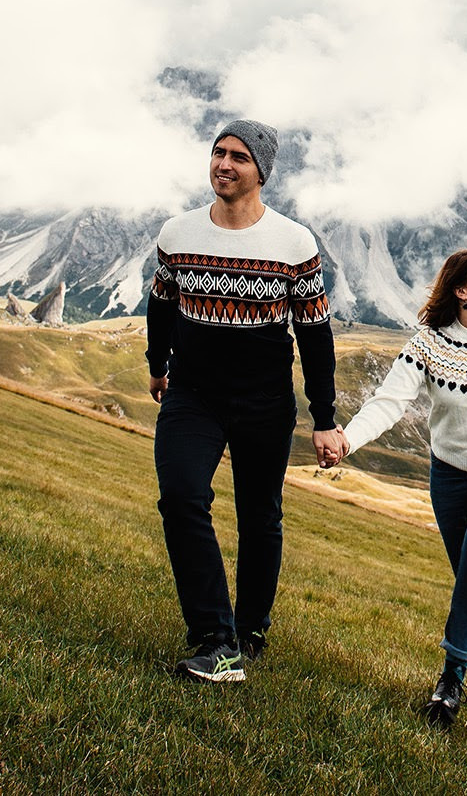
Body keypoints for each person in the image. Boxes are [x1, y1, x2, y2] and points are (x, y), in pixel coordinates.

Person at [319, 246, 467, 726]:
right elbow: (389, 402)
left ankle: (451, 680)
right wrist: (347, 440)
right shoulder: (428, 343)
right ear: (462, 291)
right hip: (450, 474)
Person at [148, 118, 346, 683]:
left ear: (262, 171)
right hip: (193, 394)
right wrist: (156, 365)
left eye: (238, 157)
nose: (224, 165)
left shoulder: (293, 242)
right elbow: (160, 303)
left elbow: (315, 333)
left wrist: (324, 418)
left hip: (263, 402)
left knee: (260, 519)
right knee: (182, 499)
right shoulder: (178, 231)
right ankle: (215, 636)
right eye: (218, 153)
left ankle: (251, 629)